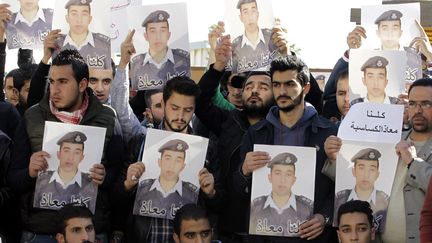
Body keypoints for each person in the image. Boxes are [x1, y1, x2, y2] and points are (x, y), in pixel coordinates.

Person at [8, 49, 122, 243]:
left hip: (89, 231)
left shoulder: (108, 118)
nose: (54, 90)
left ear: (82, 84)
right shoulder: (31, 117)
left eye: (63, 81)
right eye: (51, 82)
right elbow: (12, 179)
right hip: (42, 230)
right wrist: (29, 172)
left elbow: (119, 173)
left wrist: (105, 177)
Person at [236, 55, 338, 242]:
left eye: (289, 84)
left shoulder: (329, 133)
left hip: (313, 237)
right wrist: (244, 171)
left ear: (305, 88)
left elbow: (342, 185)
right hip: (264, 236)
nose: (282, 91)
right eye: (276, 85)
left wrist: (325, 217)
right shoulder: (255, 134)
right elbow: (238, 190)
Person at [324, 78, 432, 242]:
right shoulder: (391, 137)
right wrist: (334, 158)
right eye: (412, 104)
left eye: (426, 104)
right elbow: (358, 177)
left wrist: (413, 162)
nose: (417, 110)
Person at [249, 152, 313, 236]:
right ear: (270, 177)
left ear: (294, 179)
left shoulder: (307, 208)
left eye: (288, 174)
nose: (282, 180)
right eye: (278, 173)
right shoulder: (256, 207)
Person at [133, 139, 199, 219]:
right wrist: (127, 185)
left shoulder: (192, 194)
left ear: (183, 166)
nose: (171, 165)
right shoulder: (143, 188)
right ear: (159, 162)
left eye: (178, 160)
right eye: (168, 158)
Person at [33, 131, 96, 211]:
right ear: (58, 154)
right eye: (66, 151)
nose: (70, 157)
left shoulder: (90, 182)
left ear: (82, 157)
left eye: (76, 152)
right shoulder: (42, 179)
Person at [130, 10, 190, 90]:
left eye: (162, 31)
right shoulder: (135, 64)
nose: (158, 37)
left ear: (169, 35)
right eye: (153, 31)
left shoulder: (184, 60)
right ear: (146, 36)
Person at [334, 148, 389, 232]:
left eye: (372, 169)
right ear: (353, 171)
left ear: (377, 174)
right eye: (361, 168)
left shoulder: (386, 201)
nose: (366, 175)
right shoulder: (339, 198)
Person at [55, 0, 111, 69]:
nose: (79, 20)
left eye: (84, 14)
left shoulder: (105, 45)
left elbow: (112, 77)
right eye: (74, 14)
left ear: (90, 19)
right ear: (67, 18)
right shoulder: (55, 45)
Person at [231, 0, 281, 73]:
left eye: (253, 11)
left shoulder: (272, 37)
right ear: (241, 17)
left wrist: (286, 49)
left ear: (257, 14)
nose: (250, 17)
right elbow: (234, 74)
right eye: (245, 12)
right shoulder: (235, 45)